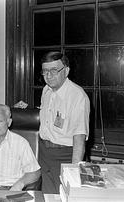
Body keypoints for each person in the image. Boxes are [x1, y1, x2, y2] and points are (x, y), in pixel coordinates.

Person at [38, 51, 90, 194]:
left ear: (66, 71)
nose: (48, 76)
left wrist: (73, 172)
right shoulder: (46, 90)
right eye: (45, 71)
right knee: (47, 196)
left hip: (65, 155)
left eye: (54, 70)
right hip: (44, 153)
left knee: (65, 195)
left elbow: (79, 138)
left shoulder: (78, 96)